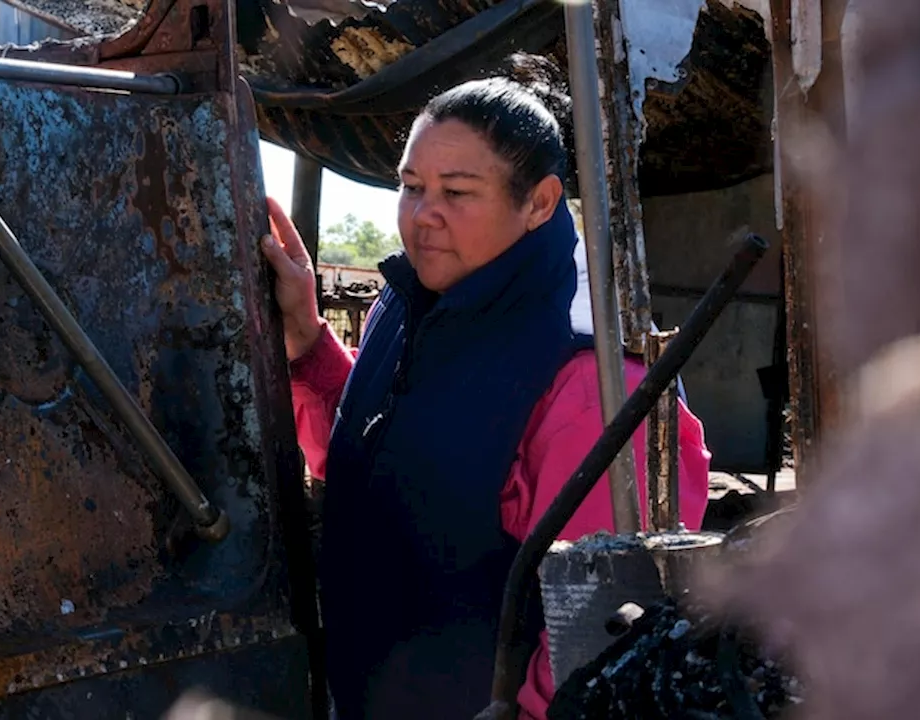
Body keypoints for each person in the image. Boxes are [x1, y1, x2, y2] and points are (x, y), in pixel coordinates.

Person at [259, 67, 712, 720]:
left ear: (540, 201)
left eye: (457, 192)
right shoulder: (412, 299)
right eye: (411, 187)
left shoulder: (593, 380)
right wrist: (306, 341)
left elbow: (596, 642)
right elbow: (374, 466)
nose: (423, 216)